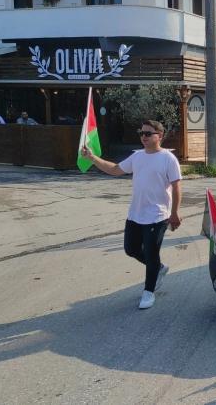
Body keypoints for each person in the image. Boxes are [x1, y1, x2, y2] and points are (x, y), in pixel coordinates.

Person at [80, 120, 182, 309]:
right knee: (131, 249)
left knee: (151, 254)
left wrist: (174, 213)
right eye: (142, 133)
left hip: (158, 215)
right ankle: (159, 268)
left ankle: (148, 292)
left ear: (159, 136)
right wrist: (92, 158)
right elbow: (115, 169)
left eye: (148, 133)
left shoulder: (168, 159)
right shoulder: (137, 157)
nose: (143, 136)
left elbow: (176, 187)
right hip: (136, 213)